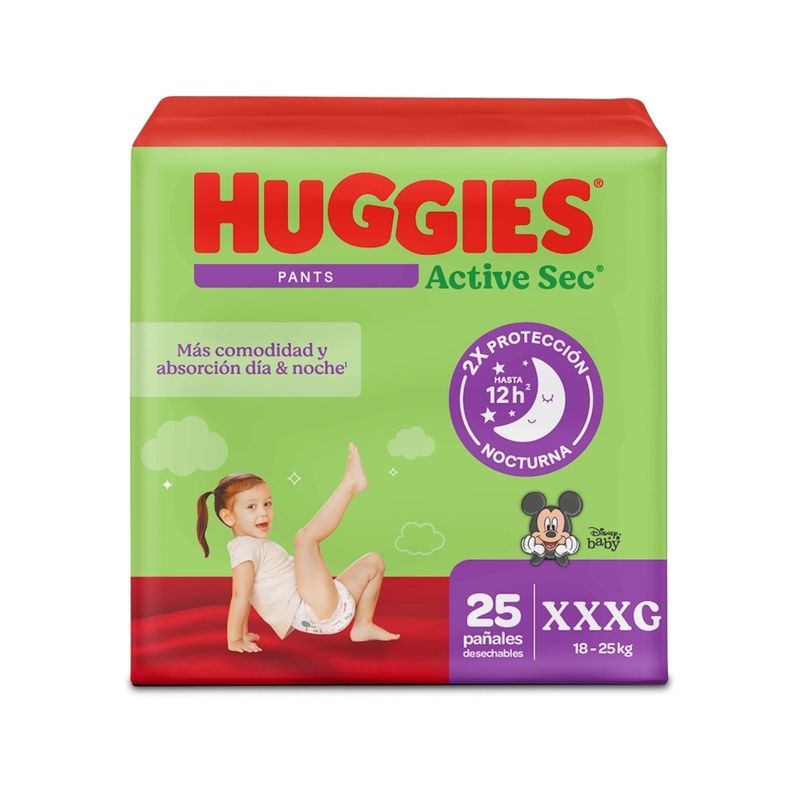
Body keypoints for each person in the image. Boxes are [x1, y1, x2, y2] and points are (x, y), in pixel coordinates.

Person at [196, 443, 399, 652]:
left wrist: (244, 631)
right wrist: (235, 639)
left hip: (331, 603)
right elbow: (240, 595)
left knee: (374, 561)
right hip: (311, 610)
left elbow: (247, 595)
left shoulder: (255, 546)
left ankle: (363, 625)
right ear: (228, 517)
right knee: (304, 539)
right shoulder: (243, 547)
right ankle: (350, 484)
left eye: (267, 503)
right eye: (251, 507)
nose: (263, 512)